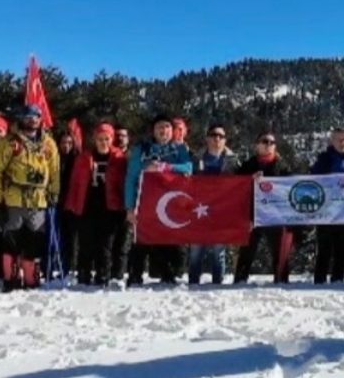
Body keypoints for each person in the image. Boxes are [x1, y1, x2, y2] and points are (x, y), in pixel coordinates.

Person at [0, 105, 60, 291]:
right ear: (20, 118)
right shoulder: (8, 142)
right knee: (11, 241)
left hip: (38, 200)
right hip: (13, 198)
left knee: (34, 242)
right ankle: (11, 278)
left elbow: (54, 171)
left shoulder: (48, 143)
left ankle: (31, 278)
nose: (32, 120)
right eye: (28, 116)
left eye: (36, 116)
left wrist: (54, 192)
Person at [123, 114, 193, 285]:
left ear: (172, 131)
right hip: (145, 202)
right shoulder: (143, 149)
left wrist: (166, 167)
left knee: (168, 238)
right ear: (153, 131)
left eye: (167, 127)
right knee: (141, 239)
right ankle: (135, 274)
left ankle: (168, 274)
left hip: (170, 203)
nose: (163, 131)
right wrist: (129, 207)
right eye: (159, 127)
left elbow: (188, 167)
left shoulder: (179, 148)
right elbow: (131, 177)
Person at [64, 123, 127, 285]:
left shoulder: (119, 158)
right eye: (100, 139)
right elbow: (75, 183)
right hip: (88, 207)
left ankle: (102, 275)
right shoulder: (85, 157)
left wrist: (126, 207)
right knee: (86, 244)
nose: (103, 142)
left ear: (112, 139)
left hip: (110, 208)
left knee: (105, 245)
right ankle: (84, 274)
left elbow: (124, 184)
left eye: (107, 139)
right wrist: (72, 205)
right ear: (95, 139)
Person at [234, 134, 292, 283]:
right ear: (257, 145)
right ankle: (240, 280)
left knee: (279, 250)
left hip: (275, 215)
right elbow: (235, 185)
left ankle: (281, 280)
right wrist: (249, 179)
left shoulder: (282, 166)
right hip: (253, 213)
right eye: (265, 141)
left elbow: (291, 186)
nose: (268, 144)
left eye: (272, 142)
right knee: (247, 249)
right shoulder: (248, 165)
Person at [188, 123, 240, 285]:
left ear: (225, 140)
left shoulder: (233, 160)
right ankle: (193, 283)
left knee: (219, 251)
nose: (217, 138)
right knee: (196, 249)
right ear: (207, 138)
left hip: (222, 210)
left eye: (220, 136)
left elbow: (241, 182)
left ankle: (218, 284)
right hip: (199, 209)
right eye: (213, 135)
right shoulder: (196, 159)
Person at [310, 127, 344, 284]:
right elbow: (313, 178)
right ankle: (319, 280)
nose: (342, 143)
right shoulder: (323, 158)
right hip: (325, 212)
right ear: (332, 141)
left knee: (342, 250)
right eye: (339, 139)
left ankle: (338, 280)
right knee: (324, 249)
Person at [55, 129, 80, 280]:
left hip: (73, 204)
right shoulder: (54, 158)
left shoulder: (77, 159)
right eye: (63, 142)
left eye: (69, 143)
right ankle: (57, 266)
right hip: (57, 202)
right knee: (58, 237)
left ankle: (70, 268)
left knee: (72, 239)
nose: (66, 146)